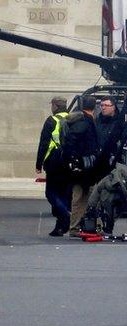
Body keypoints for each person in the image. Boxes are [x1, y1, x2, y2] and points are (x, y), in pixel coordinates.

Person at [62, 96, 101, 235]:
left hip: (81, 166)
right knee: (83, 196)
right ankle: (77, 226)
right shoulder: (85, 122)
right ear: (94, 107)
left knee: (82, 196)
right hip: (84, 166)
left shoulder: (81, 121)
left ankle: (79, 226)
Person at [35, 96, 70, 236]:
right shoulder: (72, 118)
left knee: (50, 193)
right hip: (69, 161)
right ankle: (59, 227)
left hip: (54, 161)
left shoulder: (52, 120)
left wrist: (39, 163)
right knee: (63, 193)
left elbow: (43, 144)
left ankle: (66, 216)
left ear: (55, 106)